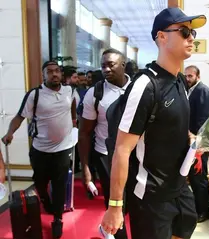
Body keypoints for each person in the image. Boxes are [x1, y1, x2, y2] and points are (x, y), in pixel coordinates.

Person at [101, 7, 207, 239]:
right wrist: (115, 206)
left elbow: (169, 127)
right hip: (151, 197)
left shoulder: (180, 81)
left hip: (179, 188)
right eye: (184, 31)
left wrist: (190, 141)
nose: (191, 38)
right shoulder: (145, 85)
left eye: (192, 33)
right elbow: (122, 148)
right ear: (162, 36)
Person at [1, 61, 76, 239]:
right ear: (43, 75)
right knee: (40, 182)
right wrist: (10, 133)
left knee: (59, 185)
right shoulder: (35, 95)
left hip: (63, 149)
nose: (54, 74)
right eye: (49, 72)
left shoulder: (69, 91)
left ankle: (57, 219)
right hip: (40, 149)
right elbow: (20, 117)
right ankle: (43, 198)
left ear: (61, 73)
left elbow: (72, 104)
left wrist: (73, 119)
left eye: (57, 71)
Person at [79, 48, 130, 238]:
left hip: (135, 155)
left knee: (136, 202)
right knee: (115, 203)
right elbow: (84, 133)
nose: (106, 69)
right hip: (106, 156)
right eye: (103, 66)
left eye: (111, 65)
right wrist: (85, 168)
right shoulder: (95, 93)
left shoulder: (138, 89)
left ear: (123, 65)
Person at [185, 65, 209, 222]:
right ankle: (198, 208)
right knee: (195, 178)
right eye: (186, 76)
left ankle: (204, 212)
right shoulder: (191, 90)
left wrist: (197, 142)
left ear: (198, 76)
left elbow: (203, 120)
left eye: (190, 76)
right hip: (193, 141)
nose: (187, 79)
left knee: (199, 178)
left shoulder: (202, 90)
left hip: (200, 143)